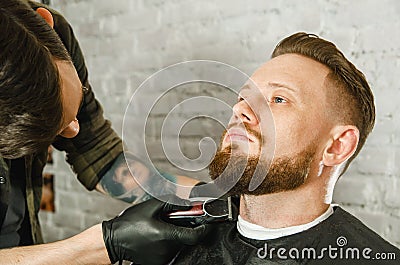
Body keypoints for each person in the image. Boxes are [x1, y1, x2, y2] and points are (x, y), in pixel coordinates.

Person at [0, 1, 208, 264]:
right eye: (50, 128)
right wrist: (103, 244)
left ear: (45, 24)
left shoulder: (43, 36)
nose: (74, 130)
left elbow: (98, 153)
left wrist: (206, 197)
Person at [172, 32, 400, 264]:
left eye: (278, 99)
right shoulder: (177, 239)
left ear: (337, 146)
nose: (241, 110)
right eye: (243, 98)